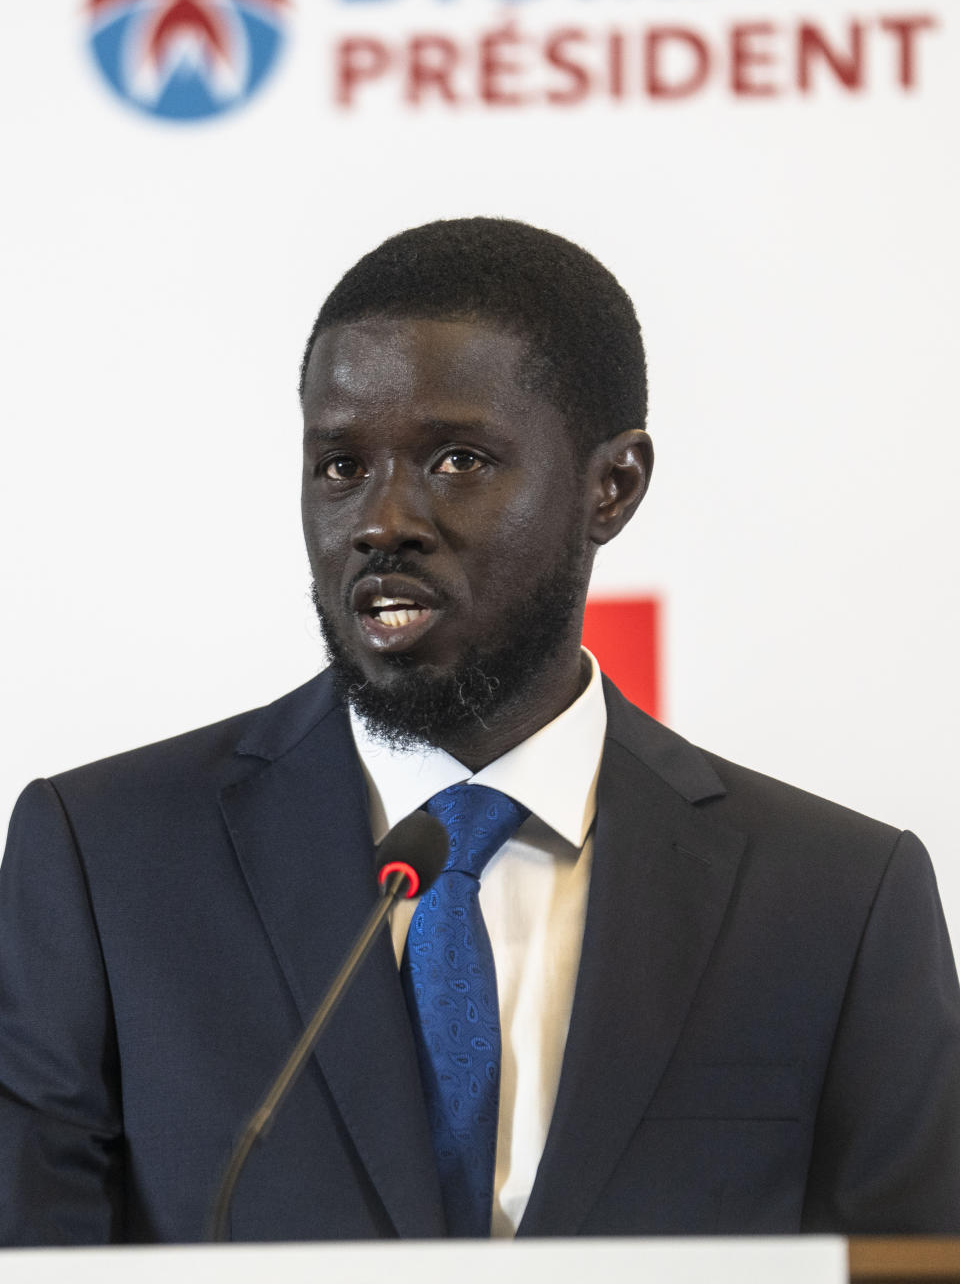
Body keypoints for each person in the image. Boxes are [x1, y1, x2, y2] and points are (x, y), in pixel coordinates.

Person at [1, 217, 958, 1245]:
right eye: (340, 466)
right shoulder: (108, 859)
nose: (382, 520)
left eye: (456, 460)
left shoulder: (836, 900)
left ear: (613, 487)